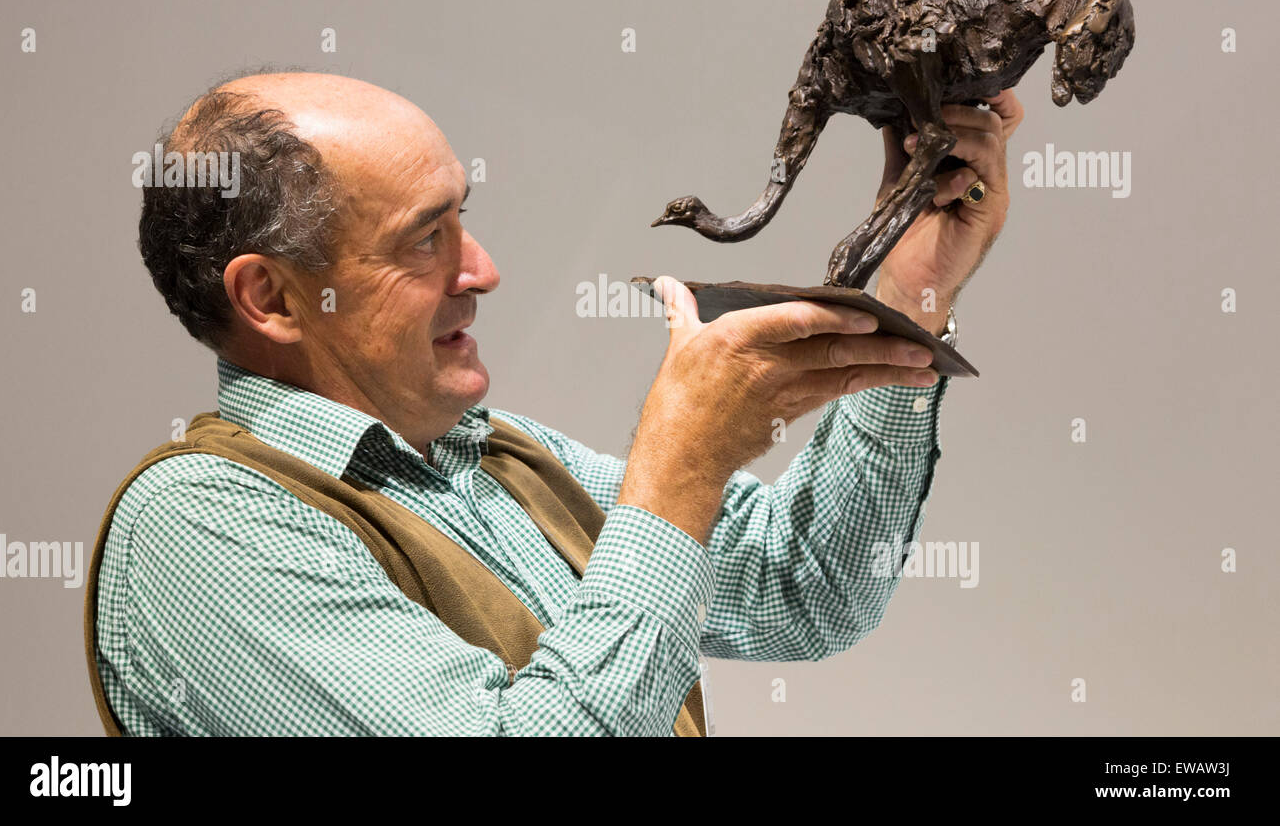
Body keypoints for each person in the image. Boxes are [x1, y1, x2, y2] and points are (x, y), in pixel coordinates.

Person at [85, 70, 1021, 735]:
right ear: (273, 300)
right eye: (425, 239)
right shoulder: (199, 529)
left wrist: (911, 292)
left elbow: (807, 587)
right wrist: (680, 469)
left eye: (464, 216)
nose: (483, 269)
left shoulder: (498, 459)